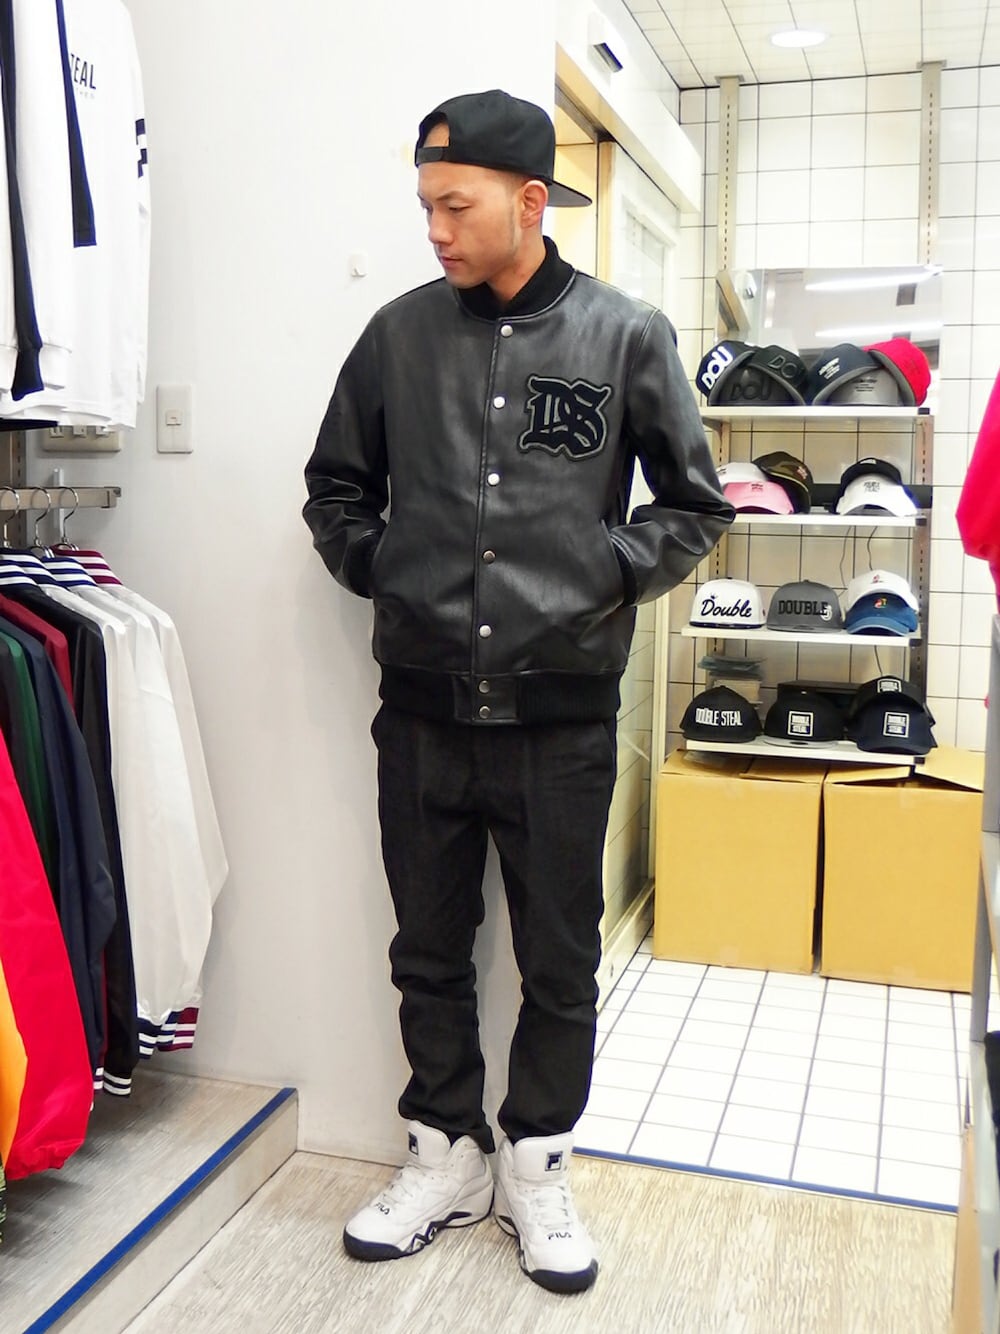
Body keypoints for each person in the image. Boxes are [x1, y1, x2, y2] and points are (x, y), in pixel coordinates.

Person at [302, 89, 733, 1294]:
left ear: (529, 201)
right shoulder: (397, 337)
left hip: (560, 720)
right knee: (426, 949)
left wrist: (600, 570)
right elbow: (334, 490)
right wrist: (389, 567)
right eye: (425, 206)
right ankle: (442, 1154)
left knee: (558, 960)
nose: (434, 229)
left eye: (455, 205)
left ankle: (537, 1163)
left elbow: (693, 505)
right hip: (423, 713)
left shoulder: (624, 334)